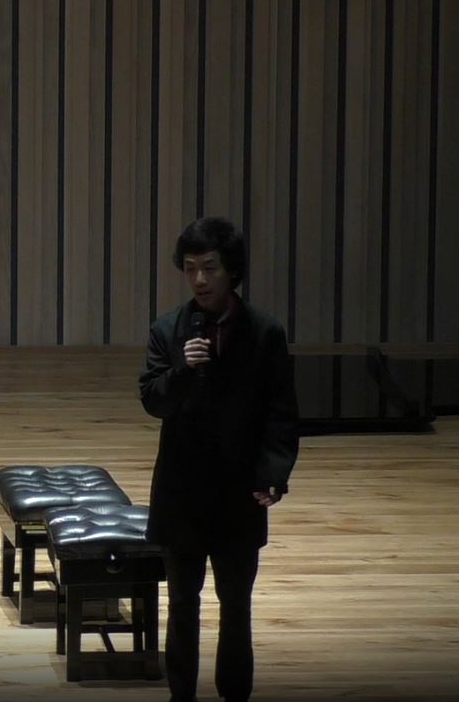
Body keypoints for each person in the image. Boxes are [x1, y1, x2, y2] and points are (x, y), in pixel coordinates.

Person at [138, 217, 299, 702]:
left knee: (237, 608)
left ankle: (235, 696)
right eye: (190, 269)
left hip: (237, 495)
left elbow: (281, 413)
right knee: (182, 605)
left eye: (210, 268)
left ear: (232, 271)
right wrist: (183, 370)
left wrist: (273, 475)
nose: (200, 280)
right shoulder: (168, 329)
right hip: (181, 494)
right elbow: (152, 400)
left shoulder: (265, 332)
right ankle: (180, 696)